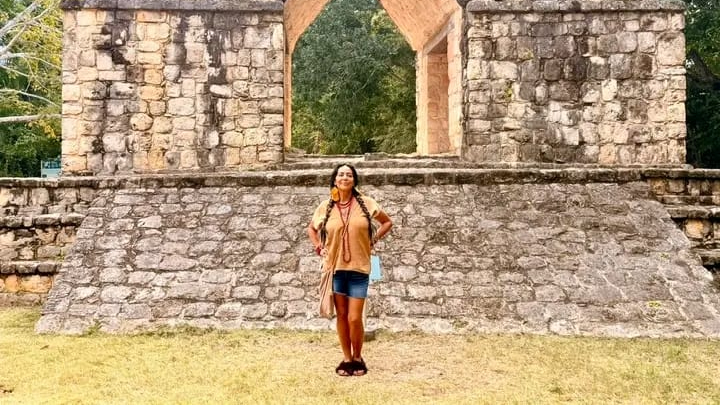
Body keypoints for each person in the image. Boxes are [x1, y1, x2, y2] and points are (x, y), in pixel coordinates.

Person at [307, 164, 393, 377]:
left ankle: (358, 356)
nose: (344, 177)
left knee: (355, 318)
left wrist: (373, 240)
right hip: (335, 269)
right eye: (341, 174)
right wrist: (319, 247)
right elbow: (311, 229)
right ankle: (347, 359)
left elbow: (387, 222)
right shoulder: (325, 206)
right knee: (342, 316)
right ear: (335, 180)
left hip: (359, 268)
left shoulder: (366, 203)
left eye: (349, 175)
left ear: (354, 180)